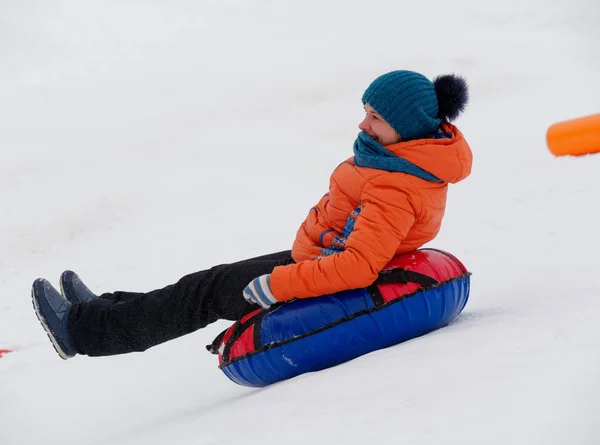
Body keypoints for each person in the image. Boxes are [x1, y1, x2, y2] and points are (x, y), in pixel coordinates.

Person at [32, 70, 473, 360]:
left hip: (313, 273)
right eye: (364, 112)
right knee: (203, 284)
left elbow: (359, 267)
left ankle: (81, 332)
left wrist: (276, 284)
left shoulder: (395, 185)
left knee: (200, 294)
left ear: (408, 126)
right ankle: (102, 310)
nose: (362, 126)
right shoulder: (402, 160)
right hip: (315, 259)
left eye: (375, 118)